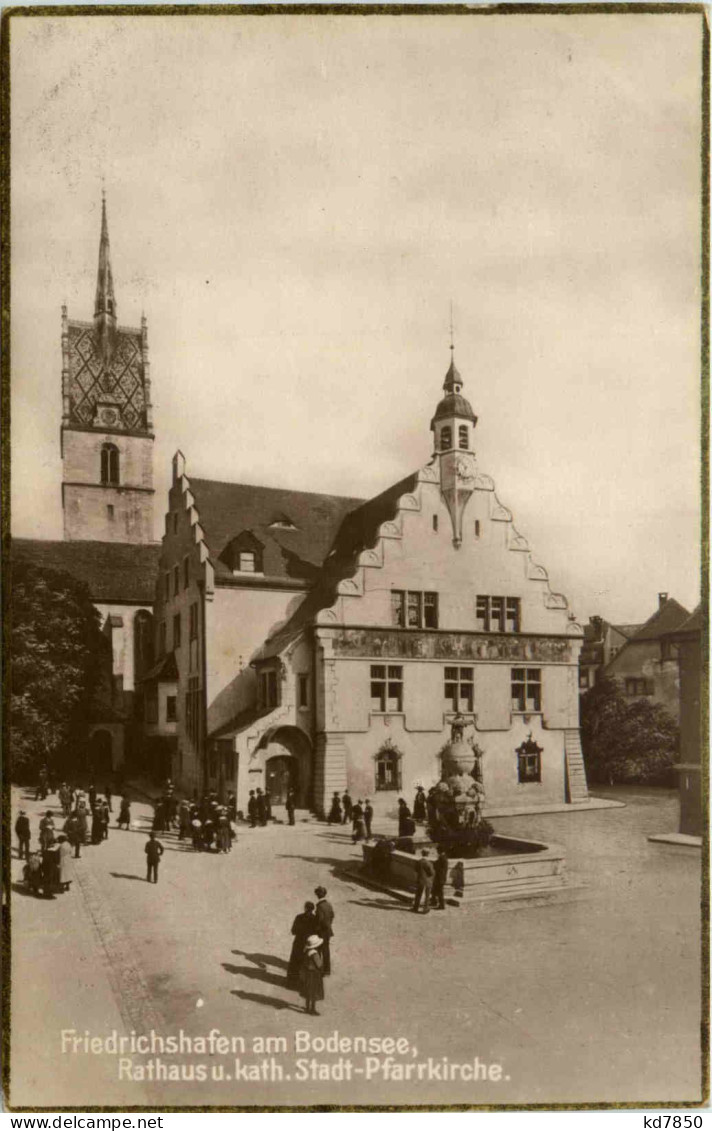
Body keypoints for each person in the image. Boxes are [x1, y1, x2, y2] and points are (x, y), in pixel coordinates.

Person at [288, 900, 318, 978]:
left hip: (298, 942)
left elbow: (293, 931)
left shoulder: (299, 917)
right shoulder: (315, 919)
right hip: (309, 944)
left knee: (295, 962)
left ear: (305, 908)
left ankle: (292, 981)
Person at [299, 935, 325, 1016]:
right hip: (314, 975)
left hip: (307, 974)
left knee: (308, 991)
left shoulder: (306, 951)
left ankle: (307, 1008)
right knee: (314, 992)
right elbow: (319, 964)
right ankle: (312, 1009)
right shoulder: (315, 954)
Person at [314, 886, 334, 975]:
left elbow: (319, 919)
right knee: (326, 950)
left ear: (318, 895)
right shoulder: (328, 904)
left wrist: (316, 929)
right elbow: (332, 915)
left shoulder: (320, 906)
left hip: (321, 931)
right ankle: (327, 970)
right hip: (328, 931)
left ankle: (319, 968)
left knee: (318, 950)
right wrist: (329, 924)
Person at [412, 849, 435, 914]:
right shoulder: (429, 863)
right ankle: (425, 909)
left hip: (420, 880)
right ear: (428, 854)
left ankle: (415, 907)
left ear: (422, 853)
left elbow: (415, 871)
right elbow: (431, 873)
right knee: (427, 896)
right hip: (427, 881)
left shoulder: (418, 862)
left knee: (418, 894)